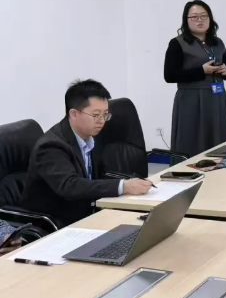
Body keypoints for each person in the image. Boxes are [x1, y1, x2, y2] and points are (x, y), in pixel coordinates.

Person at [20, 80, 152, 226]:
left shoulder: (90, 136)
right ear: (74, 114)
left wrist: (129, 183)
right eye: (96, 115)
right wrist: (122, 186)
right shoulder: (51, 146)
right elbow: (70, 186)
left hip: (86, 212)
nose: (102, 121)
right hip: (55, 222)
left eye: (105, 115)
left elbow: (99, 176)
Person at [164, 0, 226, 158]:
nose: (199, 20)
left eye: (204, 16)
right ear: (186, 20)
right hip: (191, 100)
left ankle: (219, 169)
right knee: (191, 141)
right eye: (194, 17)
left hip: (217, 99)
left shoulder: (217, 43)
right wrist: (201, 71)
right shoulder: (177, 43)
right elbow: (169, 75)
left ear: (210, 18)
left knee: (218, 140)